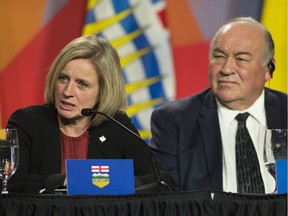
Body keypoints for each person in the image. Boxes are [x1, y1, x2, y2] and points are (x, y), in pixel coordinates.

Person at [6, 35, 171, 193]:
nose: (68, 91)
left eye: (82, 84)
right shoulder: (27, 122)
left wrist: (114, 180)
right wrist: (65, 181)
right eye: (63, 78)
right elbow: (8, 181)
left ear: (103, 92)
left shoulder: (116, 126)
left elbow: (162, 180)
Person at [149, 17, 287, 193]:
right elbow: (165, 200)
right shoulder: (174, 122)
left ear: (268, 68)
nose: (227, 69)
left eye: (241, 59)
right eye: (219, 57)